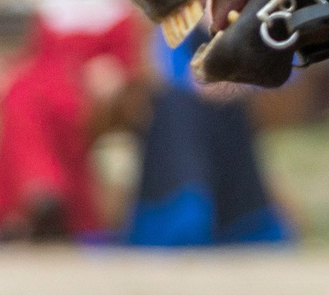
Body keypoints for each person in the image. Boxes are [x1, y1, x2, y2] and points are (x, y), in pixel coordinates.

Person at [0, 0, 143, 242]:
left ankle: (36, 197)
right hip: (48, 80)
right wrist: (4, 69)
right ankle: (41, 196)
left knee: (24, 102)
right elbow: (34, 55)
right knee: (15, 96)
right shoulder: (51, 7)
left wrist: (113, 71)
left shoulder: (114, 8)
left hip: (87, 93)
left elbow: (129, 61)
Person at [125, 27, 293, 246]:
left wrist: (238, 82)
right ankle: (182, 212)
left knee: (227, 116)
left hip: (231, 110)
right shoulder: (179, 18)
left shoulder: (250, 13)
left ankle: (238, 219)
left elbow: (284, 66)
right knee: (176, 110)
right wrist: (200, 84)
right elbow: (163, 67)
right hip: (183, 110)